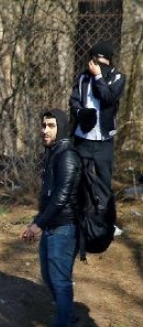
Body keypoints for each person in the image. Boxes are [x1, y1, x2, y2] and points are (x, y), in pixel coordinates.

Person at [20, 109, 82, 327]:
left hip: (64, 227)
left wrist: (38, 225)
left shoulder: (67, 155)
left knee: (60, 281)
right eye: (44, 125)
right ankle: (70, 321)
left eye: (51, 126)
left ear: (62, 128)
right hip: (51, 226)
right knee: (49, 277)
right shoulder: (53, 153)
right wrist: (37, 221)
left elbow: (61, 197)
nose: (45, 130)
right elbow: (48, 198)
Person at [69, 41, 124, 233]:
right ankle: (79, 218)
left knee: (103, 181)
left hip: (104, 140)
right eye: (92, 60)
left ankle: (107, 222)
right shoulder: (83, 77)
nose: (94, 63)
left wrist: (99, 76)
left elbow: (108, 97)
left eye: (99, 60)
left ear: (107, 60)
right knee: (78, 179)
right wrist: (80, 113)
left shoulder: (117, 77)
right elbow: (74, 100)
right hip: (82, 137)